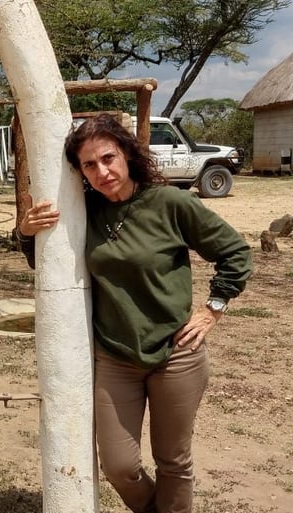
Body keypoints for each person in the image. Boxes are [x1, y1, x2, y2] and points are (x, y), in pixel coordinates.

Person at [17, 113, 252, 513]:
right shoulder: (82, 210)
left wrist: (213, 309)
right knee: (118, 465)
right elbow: (47, 263)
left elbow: (235, 253)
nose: (102, 171)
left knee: (173, 462)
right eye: (89, 164)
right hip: (115, 356)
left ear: (126, 153)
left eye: (108, 157)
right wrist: (26, 232)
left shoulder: (170, 202)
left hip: (176, 354)